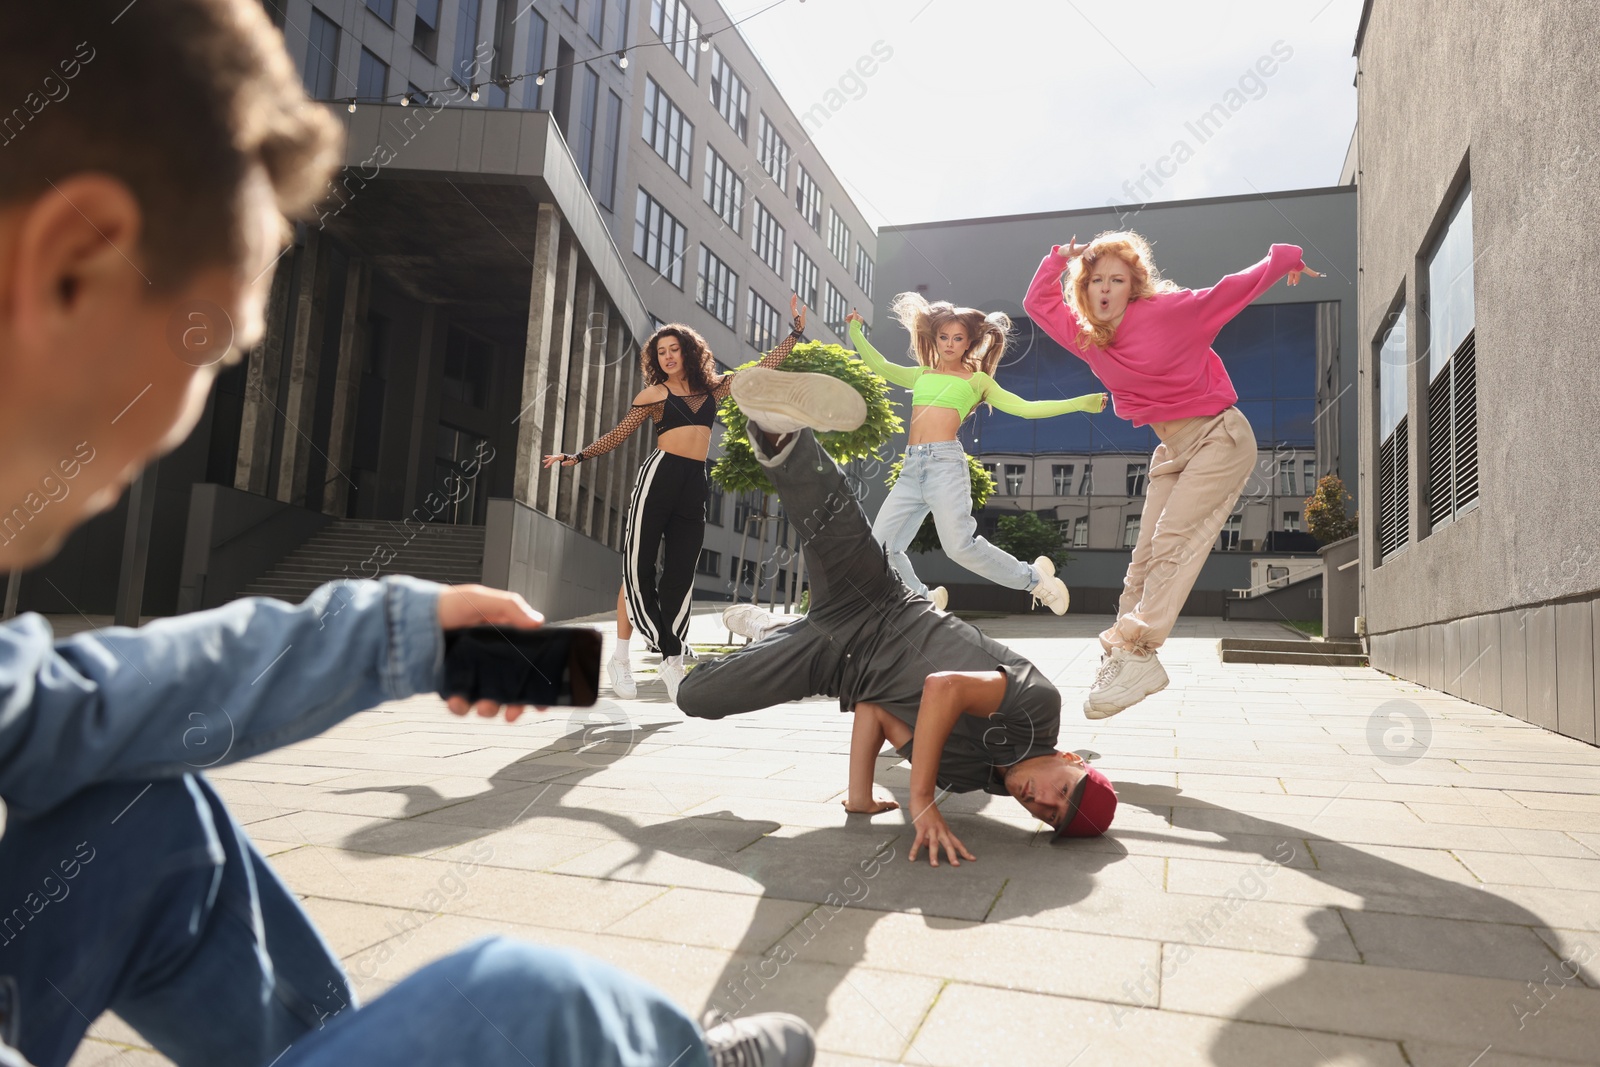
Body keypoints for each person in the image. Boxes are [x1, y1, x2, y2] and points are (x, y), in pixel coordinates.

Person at [0, 3, 813, 1065]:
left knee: (146, 826)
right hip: (658, 487)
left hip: (680, 493)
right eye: (213, 347)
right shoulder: (653, 405)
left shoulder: (704, 382)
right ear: (74, 262)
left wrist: (403, 633)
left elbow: (53, 710)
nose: (187, 406)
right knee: (530, 1000)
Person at [679, 369, 1119, 865]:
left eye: (1051, 816)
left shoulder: (968, 776)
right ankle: (778, 427)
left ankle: (776, 632)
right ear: (1072, 761)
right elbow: (943, 688)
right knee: (834, 523)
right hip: (878, 602)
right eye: (1064, 790)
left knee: (696, 696)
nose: (1042, 800)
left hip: (831, 664)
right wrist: (920, 802)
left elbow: (877, 709)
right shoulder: (1039, 709)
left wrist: (860, 794)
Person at [1023, 232, 1322, 719]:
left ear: (1133, 286)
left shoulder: (1170, 312)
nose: (1104, 289)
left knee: (1172, 540)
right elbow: (1037, 304)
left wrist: (1283, 258)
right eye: (1095, 280)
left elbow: (1229, 290)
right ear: (1084, 287)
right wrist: (1057, 258)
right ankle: (1122, 658)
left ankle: (1140, 648)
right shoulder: (1088, 337)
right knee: (1141, 558)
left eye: (1116, 280)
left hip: (1219, 437)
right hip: (1173, 447)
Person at [545, 307, 807, 702]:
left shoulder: (713, 390)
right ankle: (628, 657)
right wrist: (577, 456)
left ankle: (669, 654)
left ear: (688, 352)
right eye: (660, 352)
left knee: (681, 573)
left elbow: (759, 370)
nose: (667, 357)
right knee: (639, 566)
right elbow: (619, 434)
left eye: (673, 349)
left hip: (693, 484)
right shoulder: (654, 395)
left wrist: (795, 334)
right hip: (659, 478)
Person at [845, 300, 1105, 614]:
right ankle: (923, 600)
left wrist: (1082, 403)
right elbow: (881, 366)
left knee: (959, 547)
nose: (950, 344)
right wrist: (856, 331)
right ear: (934, 339)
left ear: (969, 342)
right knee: (881, 548)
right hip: (912, 468)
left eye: (957, 338)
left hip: (945, 466)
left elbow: (1026, 408)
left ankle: (1035, 580)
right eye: (943, 337)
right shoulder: (921, 374)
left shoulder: (977, 382)